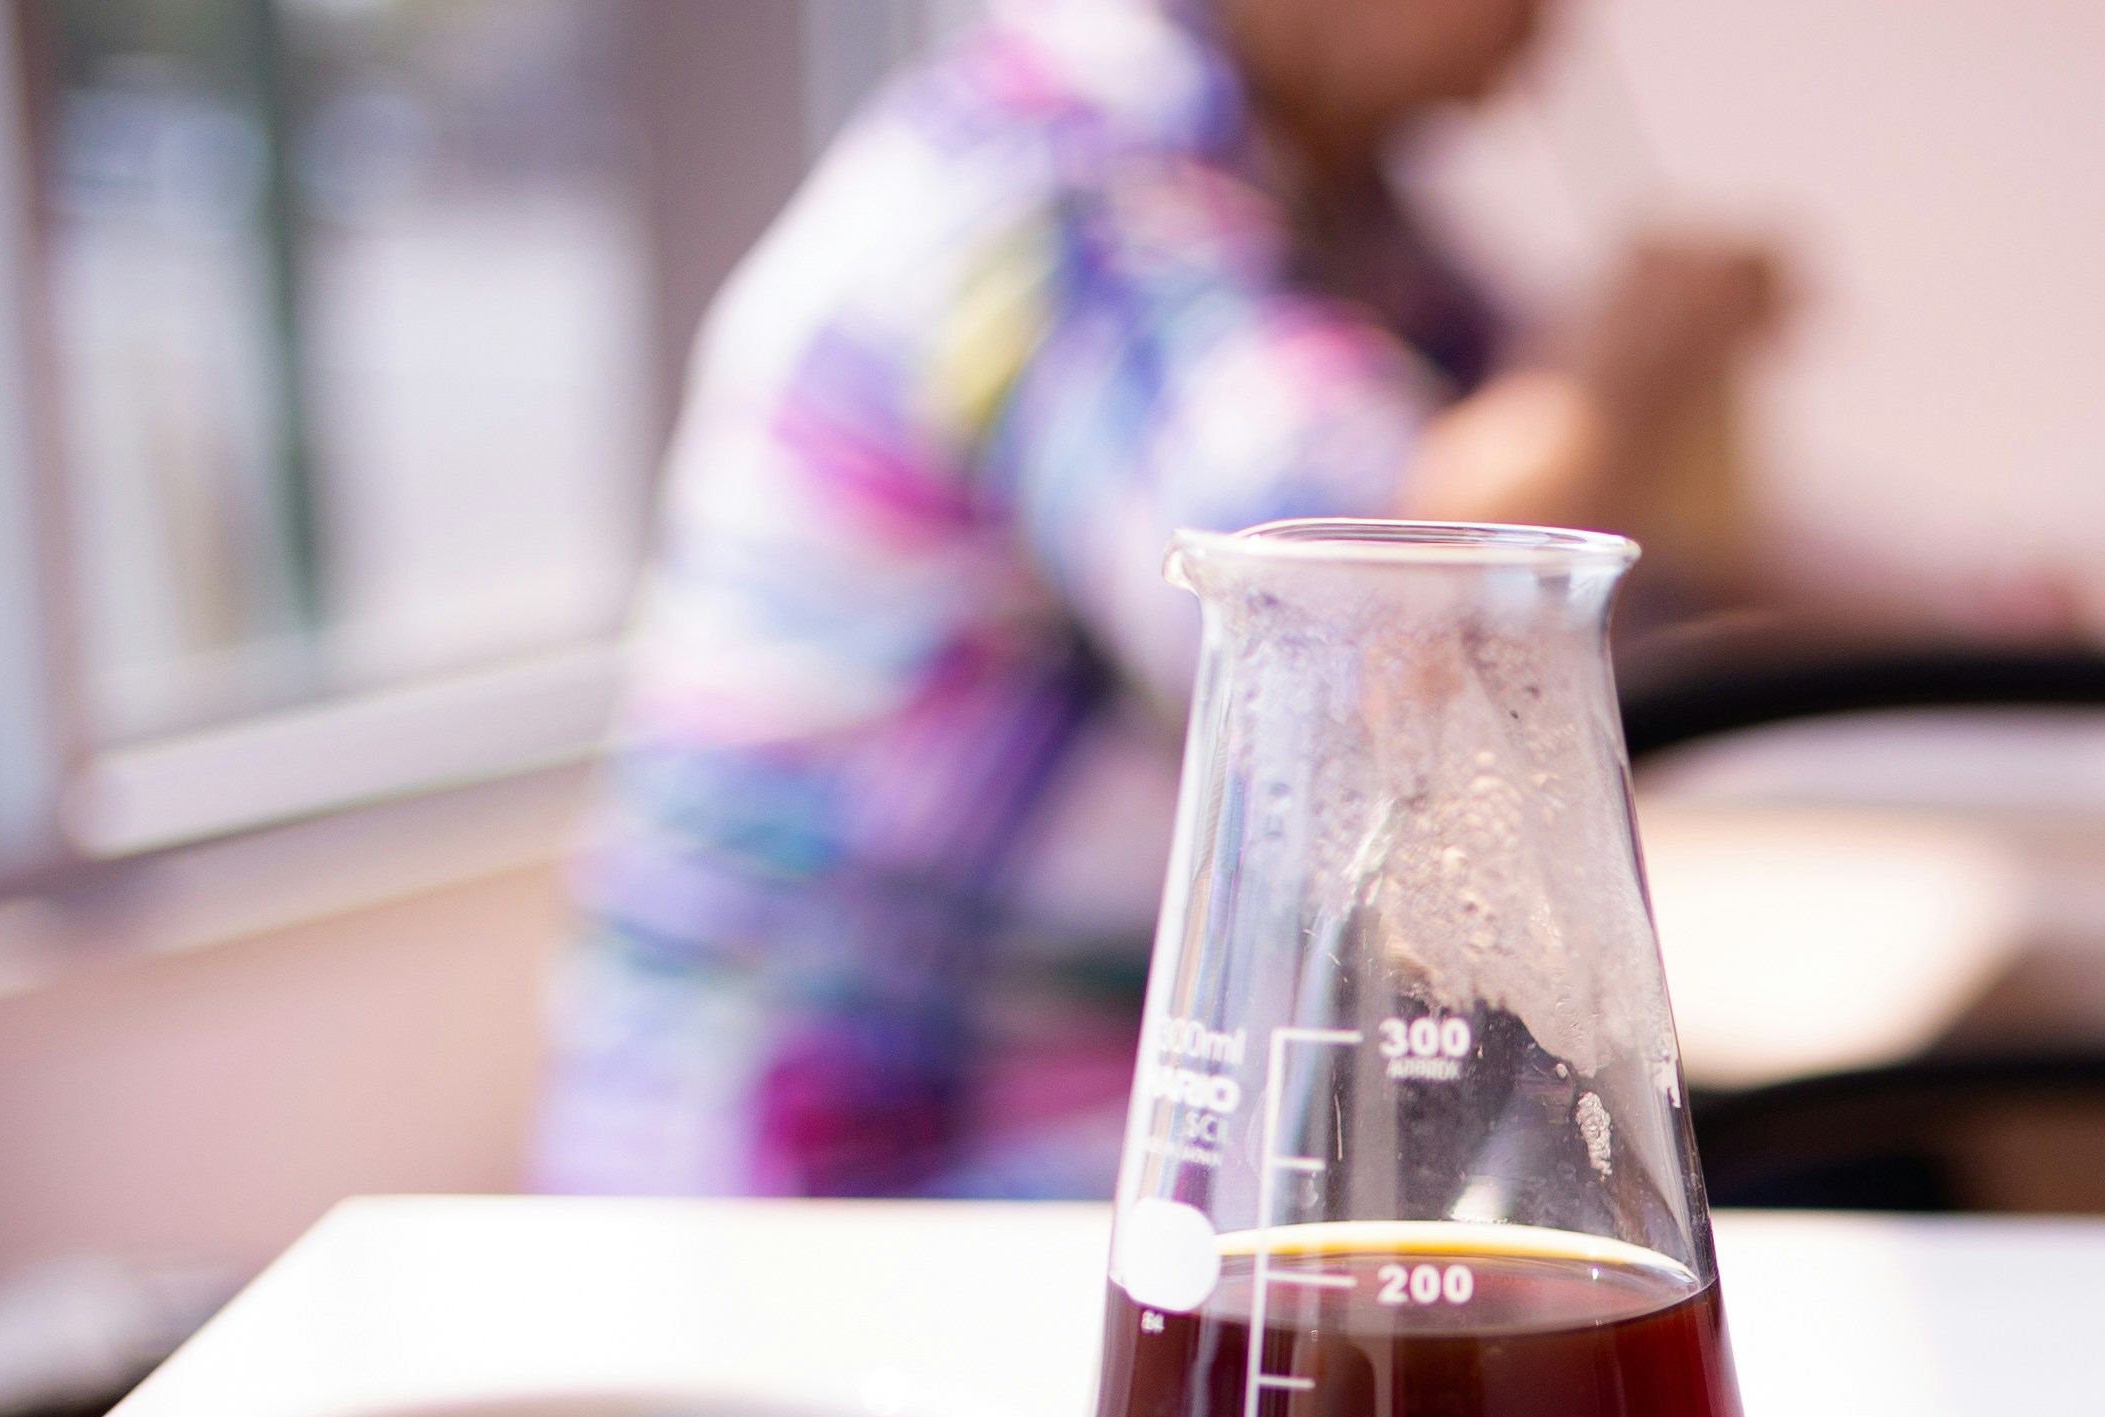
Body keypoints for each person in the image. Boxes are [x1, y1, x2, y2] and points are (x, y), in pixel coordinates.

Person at [537, 0, 1786, 1201]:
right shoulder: (1060, 175)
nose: (1551, 19)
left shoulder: (1326, 200)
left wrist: (1962, 601)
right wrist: (1615, 369)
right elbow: (1351, 624)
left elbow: (1613, 553)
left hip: (1104, 1121)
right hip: (848, 1183)